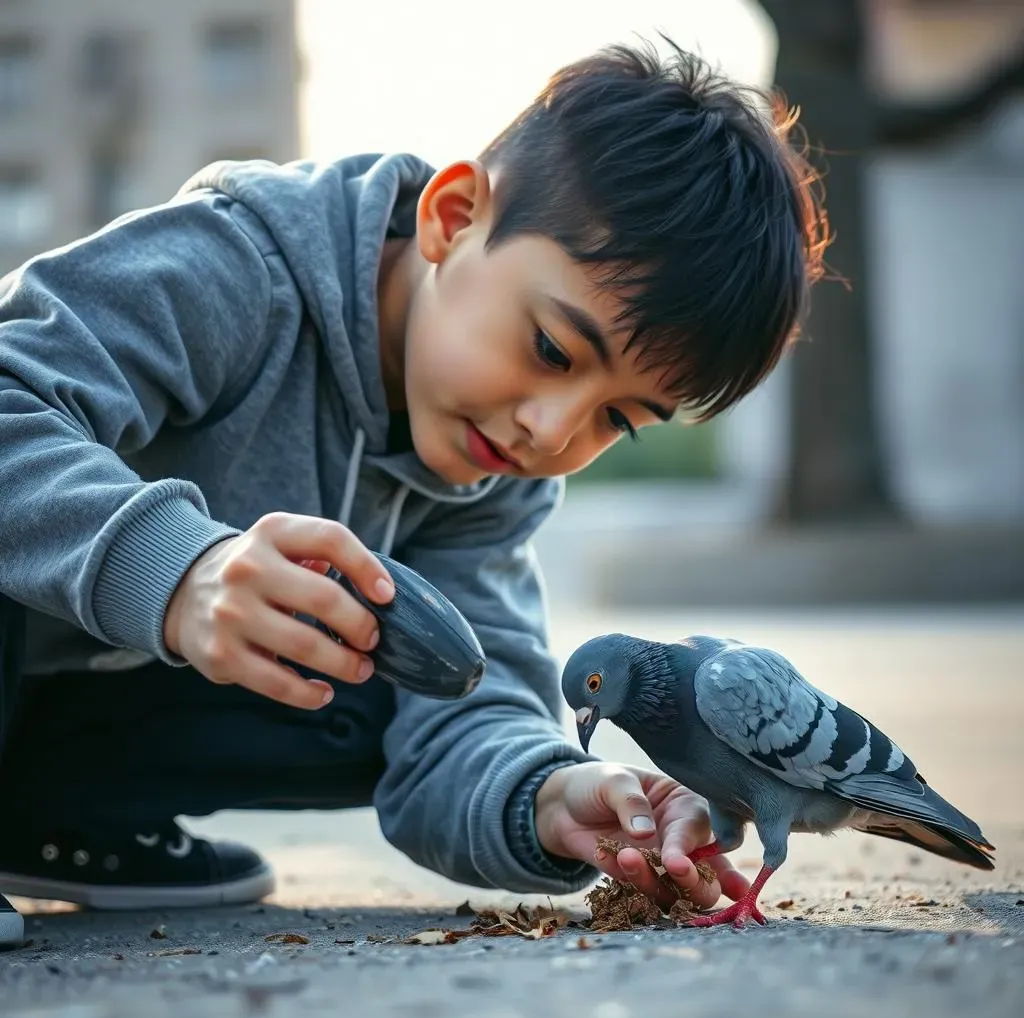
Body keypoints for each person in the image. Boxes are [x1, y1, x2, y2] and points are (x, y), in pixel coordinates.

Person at [0, 37, 826, 929]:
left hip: (55, 701)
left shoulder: (491, 478)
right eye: (552, 349)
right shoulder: (237, 271)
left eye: (617, 420)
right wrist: (180, 571)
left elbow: (474, 706)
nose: (551, 431)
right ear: (454, 216)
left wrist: (554, 797)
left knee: (404, 671)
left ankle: (49, 814)